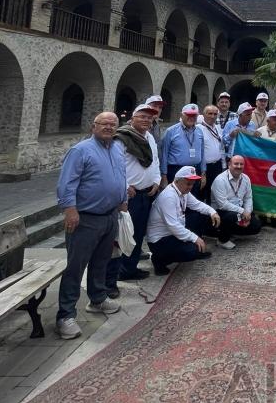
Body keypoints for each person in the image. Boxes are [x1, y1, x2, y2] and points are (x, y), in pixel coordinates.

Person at [55, 112, 128, 339]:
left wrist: (123, 198)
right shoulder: (81, 150)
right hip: (85, 217)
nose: (108, 127)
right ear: (93, 126)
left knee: (101, 261)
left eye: (112, 124)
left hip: (109, 216)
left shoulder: (117, 148)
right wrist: (70, 210)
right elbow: (67, 183)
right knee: (75, 267)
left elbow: (121, 176)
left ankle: (97, 298)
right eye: (104, 124)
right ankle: (65, 315)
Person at [112, 103, 161, 280]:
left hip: (146, 193)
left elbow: (155, 161)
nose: (146, 120)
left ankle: (130, 268)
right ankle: (120, 270)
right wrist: (125, 186)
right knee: (124, 233)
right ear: (133, 118)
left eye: (149, 117)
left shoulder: (150, 138)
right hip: (129, 196)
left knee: (139, 232)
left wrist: (156, 180)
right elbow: (115, 165)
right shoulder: (122, 138)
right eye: (142, 116)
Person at [146, 166, 218, 274]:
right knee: (192, 251)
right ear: (177, 181)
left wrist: (213, 212)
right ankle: (158, 259)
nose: (190, 187)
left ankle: (193, 248)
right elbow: (173, 226)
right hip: (160, 240)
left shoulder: (182, 191)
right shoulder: (168, 196)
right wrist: (195, 238)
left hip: (172, 233)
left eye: (192, 184)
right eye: (188, 183)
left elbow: (197, 205)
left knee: (202, 216)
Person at [210, 154, 262, 249]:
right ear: (229, 164)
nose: (239, 166)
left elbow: (248, 198)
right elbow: (223, 205)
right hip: (221, 212)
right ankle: (222, 240)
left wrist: (247, 213)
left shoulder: (246, 178)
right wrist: (242, 212)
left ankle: (232, 232)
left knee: (256, 226)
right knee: (232, 216)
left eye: (241, 164)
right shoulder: (220, 180)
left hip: (238, 210)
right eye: (236, 164)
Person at [160, 104, 205, 189]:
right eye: (188, 115)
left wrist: (203, 173)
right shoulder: (171, 131)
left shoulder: (199, 131)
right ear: (181, 115)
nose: (191, 117)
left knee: (193, 199)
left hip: (195, 171)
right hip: (176, 171)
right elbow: (164, 155)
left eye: (194, 115)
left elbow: (202, 153)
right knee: (176, 199)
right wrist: (164, 176)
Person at [199, 104, 227, 196]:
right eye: (210, 113)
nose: (212, 116)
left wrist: (223, 165)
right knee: (203, 192)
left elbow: (221, 147)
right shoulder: (199, 129)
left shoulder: (218, 128)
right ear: (204, 115)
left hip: (217, 166)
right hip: (205, 167)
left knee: (215, 192)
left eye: (215, 114)